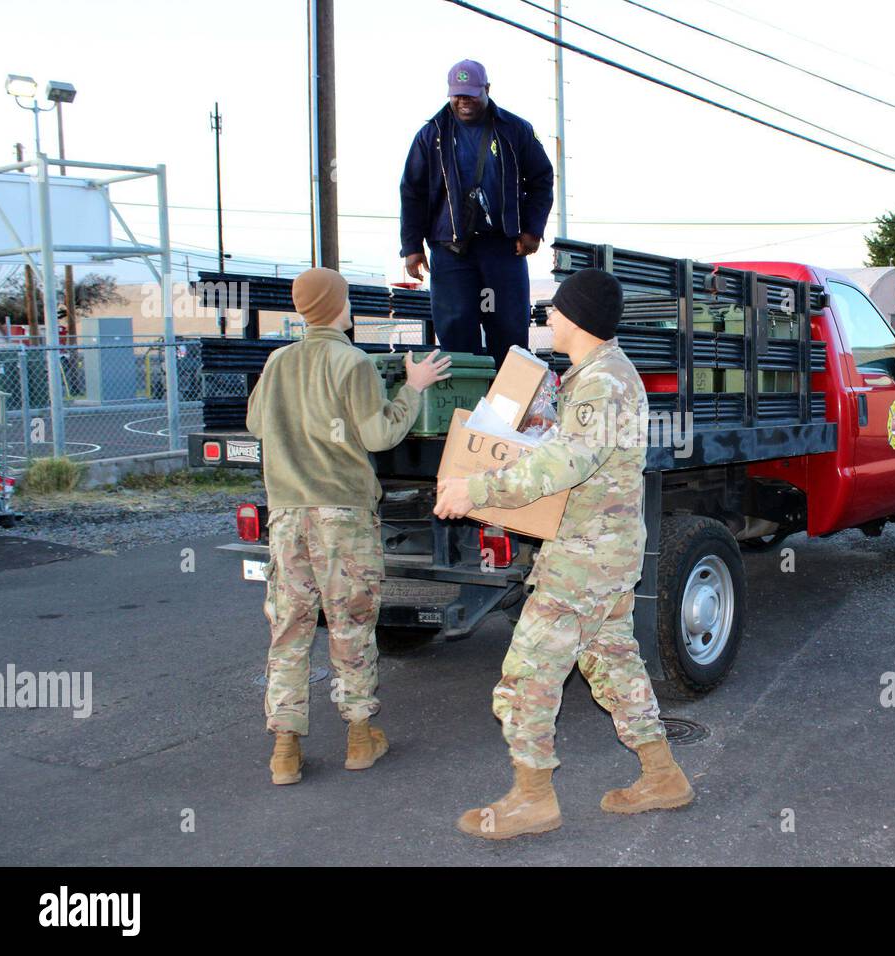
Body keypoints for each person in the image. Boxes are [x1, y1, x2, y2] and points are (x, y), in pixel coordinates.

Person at [434, 268, 692, 839]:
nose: (548, 317)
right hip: (599, 552)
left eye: (555, 310)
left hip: (587, 557)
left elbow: (566, 465)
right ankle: (663, 775)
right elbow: (573, 449)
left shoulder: (603, 382)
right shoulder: (595, 377)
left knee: (527, 673)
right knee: (612, 663)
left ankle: (533, 798)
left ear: (577, 318)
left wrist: (474, 490)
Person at [246, 267, 452, 785]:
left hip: (288, 515)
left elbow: (255, 424)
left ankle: (284, 751)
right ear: (338, 306)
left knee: (289, 631)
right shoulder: (351, 361)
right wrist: (414, 386)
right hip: (342, 517)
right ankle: (360, 738)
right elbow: (380, 434)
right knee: (351, 626)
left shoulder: (276, 362)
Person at [399, 59, 554, 367]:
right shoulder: (431, 135)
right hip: (450, 249)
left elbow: (542, 180)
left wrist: (533, 230)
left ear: (487, 89)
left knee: (509, 334)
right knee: (456, 333)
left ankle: (510, 411)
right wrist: (412, 247)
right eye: (458, 94)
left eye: (470, 93)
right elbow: (411, 192)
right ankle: (463, 410)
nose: (463, 100)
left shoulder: (516, 130)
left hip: (503, 247)